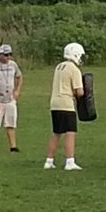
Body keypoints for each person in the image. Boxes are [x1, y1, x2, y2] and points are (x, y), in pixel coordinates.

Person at [45, 42, 85, 171]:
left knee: (56, 132)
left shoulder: (59, 66)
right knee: (70, 132)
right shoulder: (74, 69)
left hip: (55, 102)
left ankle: (49, 160)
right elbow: (79, 91)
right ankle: (70, 161)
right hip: (66, 103)